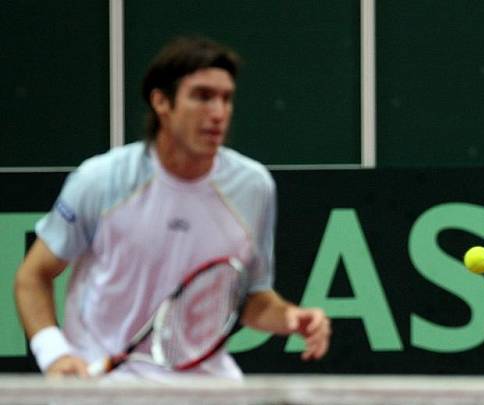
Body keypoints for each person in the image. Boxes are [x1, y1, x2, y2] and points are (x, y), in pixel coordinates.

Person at [14, 36, 331, 379]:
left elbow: (250, 298)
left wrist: (289, 318)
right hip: (106, 386)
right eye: (202, 97)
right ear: (161, 102)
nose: (218, 113)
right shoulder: (100, 180)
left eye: (226, 99)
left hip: (204, 385)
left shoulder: (253, 187)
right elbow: (32, 276)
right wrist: (55, 354)